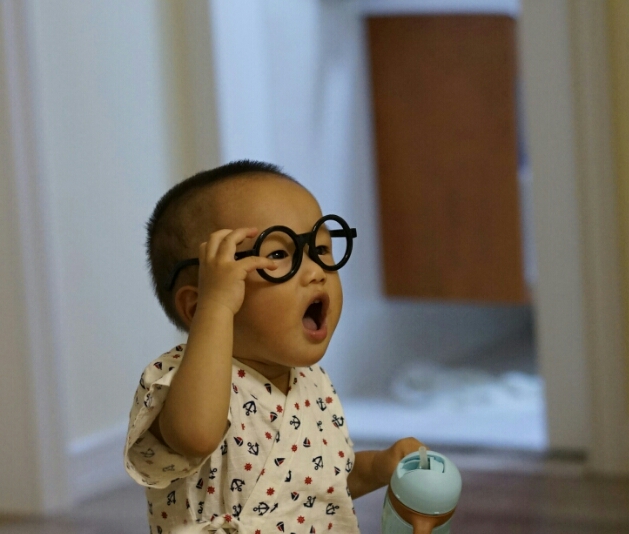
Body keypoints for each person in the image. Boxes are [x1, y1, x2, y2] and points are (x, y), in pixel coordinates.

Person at [124, 160, 422, 533]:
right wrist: (217, 309)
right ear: (198, 306)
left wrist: (377, 467)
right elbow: (196, 435)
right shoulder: (180, 381)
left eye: (321, 248)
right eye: (278, 255)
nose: (315, 271)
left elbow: (315, 489)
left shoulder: (313, 384)